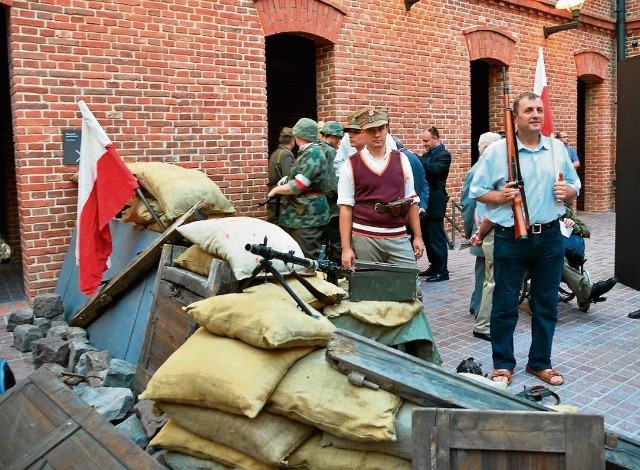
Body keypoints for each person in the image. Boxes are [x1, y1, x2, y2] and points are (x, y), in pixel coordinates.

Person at [470, 91, 581, 387]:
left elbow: (574, 184)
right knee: (505, 305)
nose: (535, 115)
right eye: (528, 110)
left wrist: (568, 192)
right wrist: (502, 196)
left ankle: (540, 363)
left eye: (539, 110)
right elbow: (477, 191)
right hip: (510, 237)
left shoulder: (558, 149)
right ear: (516, 117)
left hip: (550, 237)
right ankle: (503, 365)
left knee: (546, 304)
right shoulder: (498, 152)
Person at [337, 109, 424, 270]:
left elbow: (412, 200)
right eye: (371, 130)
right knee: (370, 289)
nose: (377, 134)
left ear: (386, 129)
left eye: (381, 129)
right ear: (363, 132)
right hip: (364, 236)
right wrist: (346, 247)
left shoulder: (402, 160)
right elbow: (345, 207)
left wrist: (418, 237)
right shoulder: (350, 165)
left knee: (409, 286)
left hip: (397, 233)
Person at [267, 118, 330, 259]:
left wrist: (275, 190)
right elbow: (302, 175)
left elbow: (299, 185)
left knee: (307, 258)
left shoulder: (313, 153)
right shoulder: (308, 152)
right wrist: (287, 179)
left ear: (298, 135)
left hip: (307, 218)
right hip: (299, 216)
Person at [461, 132, 502, 341]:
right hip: (484, 229)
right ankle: (480, 312)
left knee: (484, 274)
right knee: (486, 276)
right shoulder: (478, 171)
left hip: (484, 230)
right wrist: (472, 232)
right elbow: (468, 204)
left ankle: (477, 306)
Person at [560, 205, 617, 312]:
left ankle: (586, 293)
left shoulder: (562, 209)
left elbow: (586, 231)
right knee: (558, 258)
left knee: (561, 258)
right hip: (541, 253)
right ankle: (587, 292)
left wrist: (574, 225)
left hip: (563, 252)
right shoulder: (532, 209)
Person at [419, 126, 451, 282]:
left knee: (436, 238)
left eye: (426, 141)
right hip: (425, 203)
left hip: (436, 203)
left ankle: (442, 270)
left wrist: (418, 161)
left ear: (435, 139)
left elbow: (435, 170)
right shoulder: (426, 155)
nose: (424, 144)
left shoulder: (444, 155)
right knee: (427, 236)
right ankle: (434, 265)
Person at [393, 136, 429, 240]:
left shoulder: (399, 159)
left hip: (403, 209)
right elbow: (424, 184)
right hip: (415, 207)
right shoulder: (414, 157)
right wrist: (422, 205)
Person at [318, 121, 345, 262]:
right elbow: (333, 185)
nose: (339, 142)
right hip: (332, 207)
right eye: (338, 139)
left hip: (318, 206)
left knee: (321, 242)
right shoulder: (330, 152)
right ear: (333, 137)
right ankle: (337, 275)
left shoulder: (314, 150)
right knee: (338, 242)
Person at [266, 127, 296, 224]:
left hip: (275, 198)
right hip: (281, 201)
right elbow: (289, 178)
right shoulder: (286, 154)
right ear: (292, 140)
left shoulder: (276, 153)